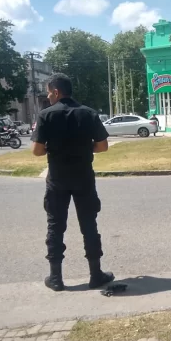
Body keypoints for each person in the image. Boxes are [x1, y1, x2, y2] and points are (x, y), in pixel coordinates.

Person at [31, 73, 115, 292]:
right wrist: (85, 148)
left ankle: (56, 278)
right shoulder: (88, 113)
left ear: (56, 91)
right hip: (83, 177)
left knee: (55, 226)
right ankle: (96, 274)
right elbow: (103, 146)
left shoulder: (46, 115)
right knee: (89, 225)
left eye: (49, 92)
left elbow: (37, 151)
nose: (48, 96)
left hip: (57, 179)